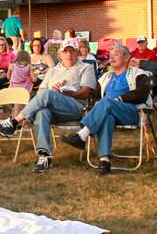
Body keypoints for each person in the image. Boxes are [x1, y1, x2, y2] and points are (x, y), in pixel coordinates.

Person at [61, 45, 152, 175]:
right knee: (106, 117)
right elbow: (94, 96)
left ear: (127, 57)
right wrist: (67, 91)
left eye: (116, 54)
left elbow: (141, 94)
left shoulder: (139, 74)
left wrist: (119, 100)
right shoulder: (105, 77)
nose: (112, 57)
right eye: (110, 55)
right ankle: (104, 161)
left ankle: (82, 135)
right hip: (110, 111)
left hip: (132, 112)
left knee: (106, 103)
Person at [11, 39, 97, 172]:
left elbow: (86, 92)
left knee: (49, 94)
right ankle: (45, 156)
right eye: (65, 51)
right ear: (60, 54)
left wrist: (67, 93)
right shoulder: (52, 71)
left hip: (76, 107)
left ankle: (15, 121)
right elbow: (40, 92)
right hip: (54, 110)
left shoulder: (86, 67)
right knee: (42, 112)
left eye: (72, 51)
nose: (69, 54)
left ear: (77, 52)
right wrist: (53, 89)